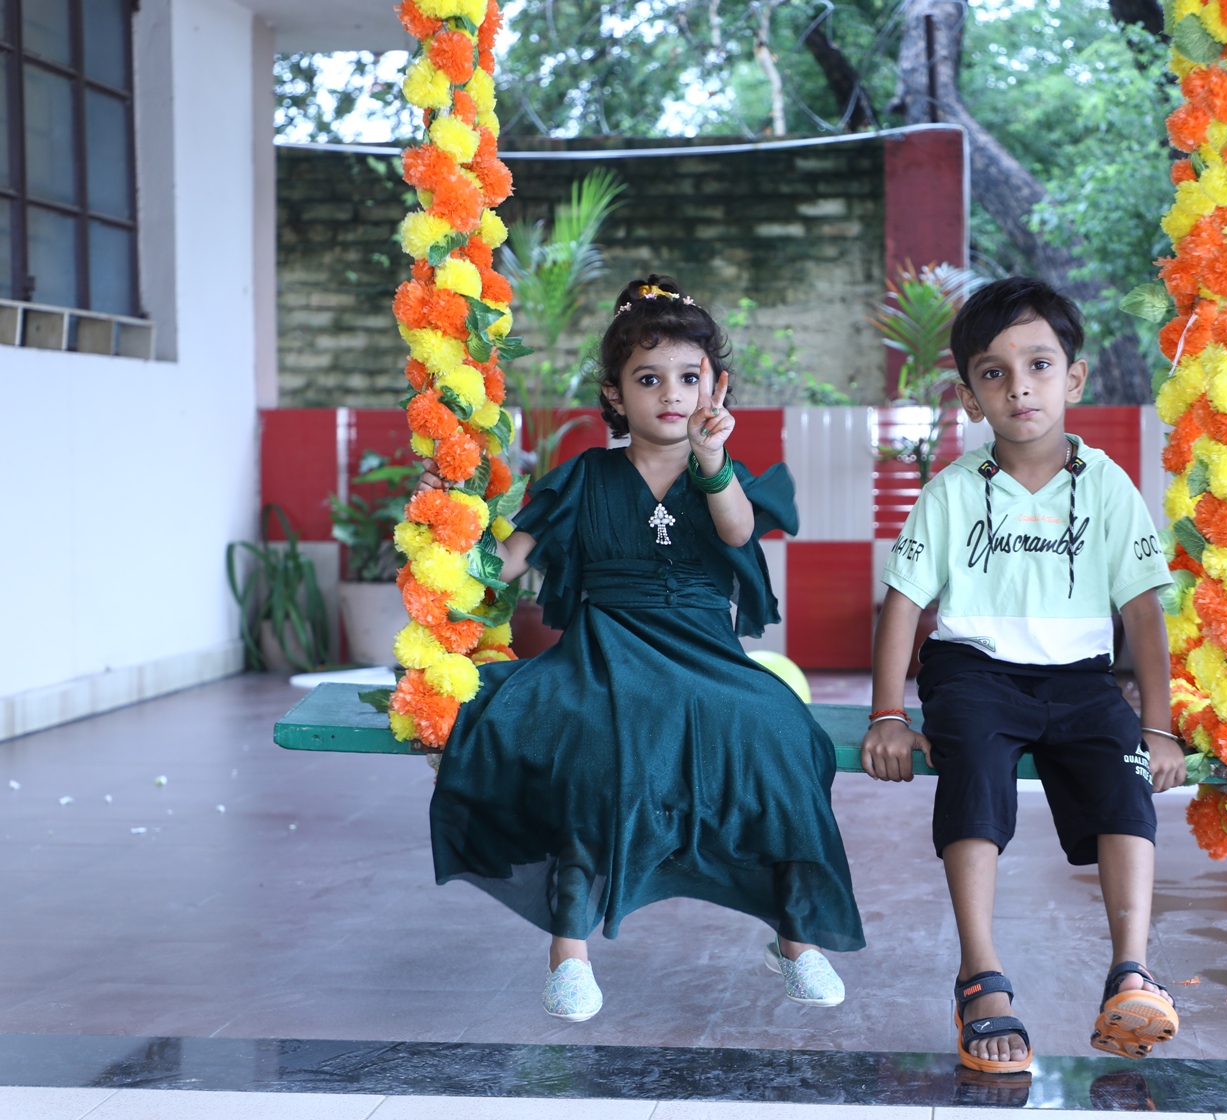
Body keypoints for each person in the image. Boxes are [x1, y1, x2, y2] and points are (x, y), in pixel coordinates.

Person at [423, 275, 864, 1022]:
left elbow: (737, 531)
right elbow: (507, 563)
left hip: (703, 650)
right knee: (596, 742)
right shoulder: (586, 476)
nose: (671, 394)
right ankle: (569, 949)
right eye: (648, 378)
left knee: (780, 733)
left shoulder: (718, 474)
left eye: (689, 378)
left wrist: (712, 460)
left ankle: (794, 936)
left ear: (716, 389)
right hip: (606, 650)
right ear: (615, 394)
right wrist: (448, 519)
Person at [860, 277, 1186, 1073]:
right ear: (969, 397)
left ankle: (1132, 973)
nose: (1019, 387)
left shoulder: (1107, 487)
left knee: (1124, 776)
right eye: (993, 372)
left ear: (1074, 378)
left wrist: (1158, 725)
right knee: (972, 766)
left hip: (1081, 679)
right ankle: (981, 976)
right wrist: (887, 715)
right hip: (973, 673)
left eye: (1039, 365)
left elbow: (1144, 615)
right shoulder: (951, 493)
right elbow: (902, 606)